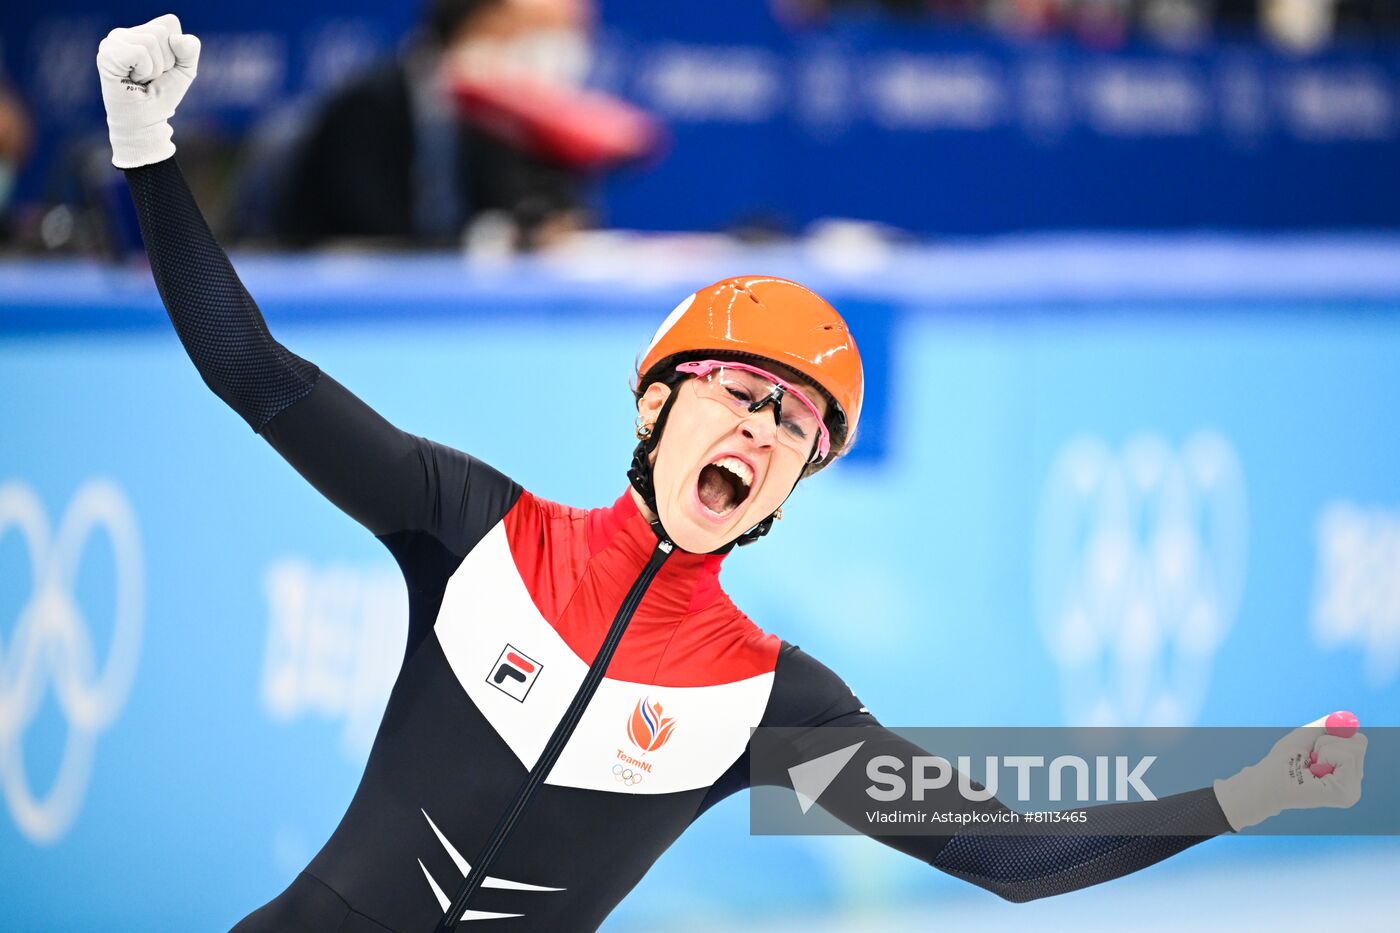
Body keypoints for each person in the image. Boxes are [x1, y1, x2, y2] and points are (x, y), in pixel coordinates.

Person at [97, 16, 1367, 933]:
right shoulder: (478, 531)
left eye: (798, 431)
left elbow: (1017, 855)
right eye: (742, 394)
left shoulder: (772, 702)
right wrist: (146, 146)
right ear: (657, 402)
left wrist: (1251, 792)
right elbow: (246, 366)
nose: (762, 433)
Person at [267, 0, 590, 249]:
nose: (553, 50)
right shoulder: (370, 107)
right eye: (537, 33)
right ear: (481, 22)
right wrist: (490, 244)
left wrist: (541, 231)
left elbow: (540, 209)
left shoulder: (503, 117)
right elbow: (376, 237)